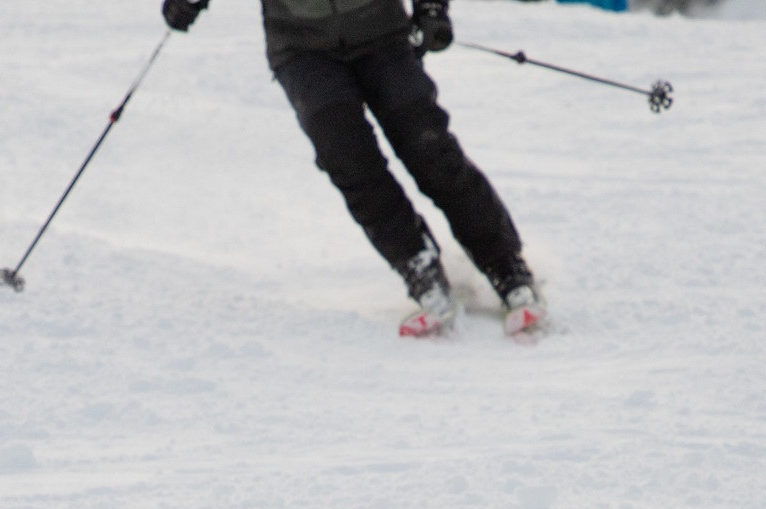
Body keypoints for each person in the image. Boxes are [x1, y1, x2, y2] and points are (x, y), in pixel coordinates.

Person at [158, 0, 546, 335]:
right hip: (301, 47)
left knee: (429, 149)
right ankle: (419, 267)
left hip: (381, 33)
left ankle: (505, 265)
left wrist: (431, 9)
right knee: (347, 157)